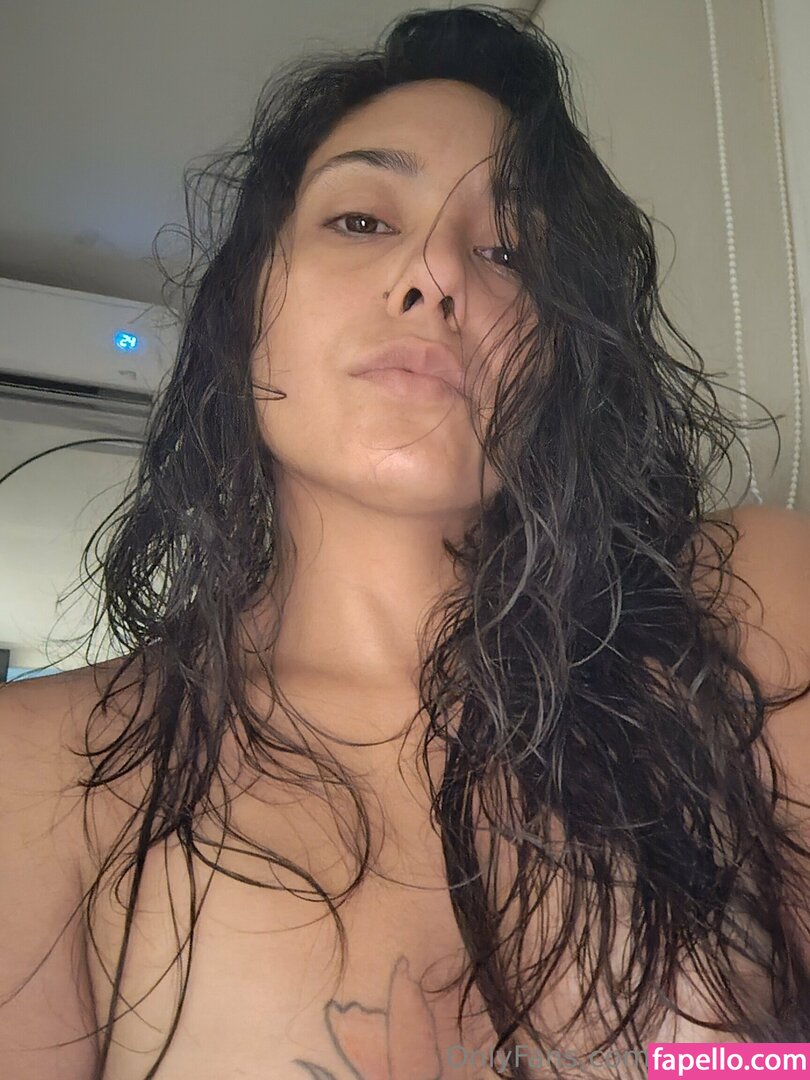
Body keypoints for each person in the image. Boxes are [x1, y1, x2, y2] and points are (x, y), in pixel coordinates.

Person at [2, 6, 810, 1078]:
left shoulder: (750, 609)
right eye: (361, 220)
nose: (436, 274)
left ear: (564, 357)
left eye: (509, 249)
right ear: (247, 309)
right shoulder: (38, 776)